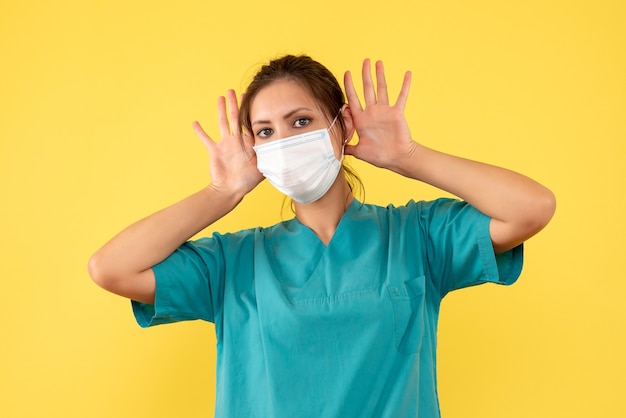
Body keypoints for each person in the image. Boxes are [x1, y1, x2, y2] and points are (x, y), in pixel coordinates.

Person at [88, 55, 556, 417]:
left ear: (341, 126)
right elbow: (110, 267)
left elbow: (532, 207)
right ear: (254, 150)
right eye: (265, 131)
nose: (285, 142)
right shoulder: (233, 264)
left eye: (301, 122)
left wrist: (407, 155)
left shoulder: (417, 237)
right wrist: (222, 191)